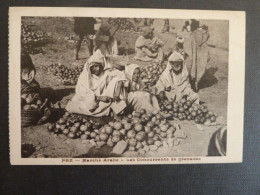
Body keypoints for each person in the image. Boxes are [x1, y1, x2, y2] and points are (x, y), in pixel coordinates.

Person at [66, 50, 127, 117]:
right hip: (89, 100)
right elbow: (82, 94)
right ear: (90, 67)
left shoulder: (104, 73)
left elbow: (120, 75)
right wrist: (99, 98)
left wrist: (117, 90)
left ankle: (112, 110)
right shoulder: (84, 77)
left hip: (103, 99)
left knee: (116, 82)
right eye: (95, 66)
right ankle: (103, 112)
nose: (97, 69)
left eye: (99, 66)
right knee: (86, 106)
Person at [184, 23, 210, 91]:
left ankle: (192, 84)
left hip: (196, 52)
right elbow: (206, 37)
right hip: (197, 52)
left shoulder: (193, 34)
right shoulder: (201, 32)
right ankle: (194, 84)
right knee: (195, 68)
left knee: (192, 67)